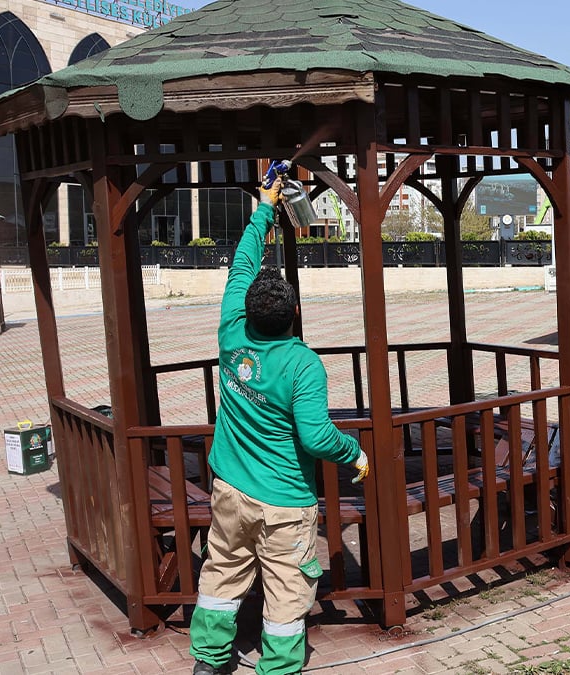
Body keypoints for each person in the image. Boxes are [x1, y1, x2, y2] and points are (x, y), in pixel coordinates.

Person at [189, 179, 369, 675]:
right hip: (286, 501)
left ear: (247, 310)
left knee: (222, 574)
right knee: (287, 592)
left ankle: (208, 662)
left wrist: (263, 208)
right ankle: (279, 669)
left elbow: (241, 266)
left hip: (229, 487)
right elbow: (314, 437)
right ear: (294, 312)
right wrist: (353, 452)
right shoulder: (302, 364)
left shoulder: (231, 330)